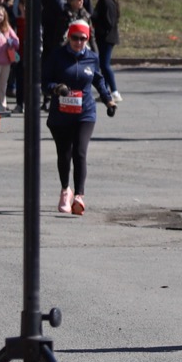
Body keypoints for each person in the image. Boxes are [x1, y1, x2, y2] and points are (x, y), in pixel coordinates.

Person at [43, 19, 114, 215]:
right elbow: (44, 81)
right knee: (64, 154)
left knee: (80, 152)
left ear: (87, 39)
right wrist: (56, 88)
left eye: (83, 38)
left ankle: (79, 196)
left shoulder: (92, 58)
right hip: (61, 115)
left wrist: (108, 100)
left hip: (85, 113)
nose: (78, 42)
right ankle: (65, 190)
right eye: (75, 38)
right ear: (69, 37)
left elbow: (98, 79)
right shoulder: (57, 56)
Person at [92, 0, 121, 110]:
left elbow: (109, 22)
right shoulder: (103, 1)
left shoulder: (107, 2)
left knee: (104, 64)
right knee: (102, 64)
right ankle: (105, 92)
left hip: (107, 38)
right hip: (104, 38)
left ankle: (114, 92)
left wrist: (98, 28)